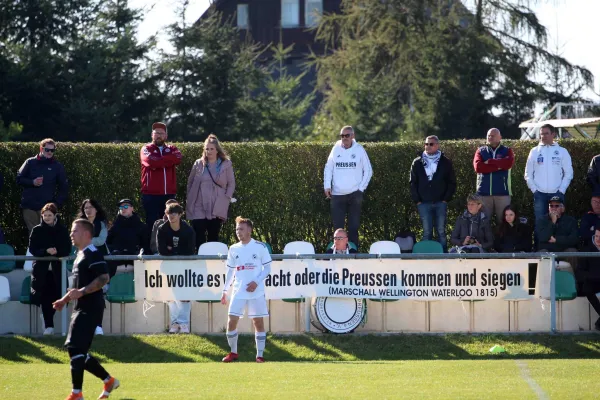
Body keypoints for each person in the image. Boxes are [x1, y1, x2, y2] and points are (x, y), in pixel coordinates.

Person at [52, 219, 120, 400]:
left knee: (74, 347)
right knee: (78, 350)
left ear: (86, 234)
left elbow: (104, 278)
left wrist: (81, 292)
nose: (71, 234)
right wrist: (64, 300)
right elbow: (77, 287)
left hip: (90, 308)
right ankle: (108, 380)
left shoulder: (93, 253)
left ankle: (77, 393)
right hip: (81, 307)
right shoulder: (80, 255)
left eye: (74, 231)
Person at [221, 216, 272, 363]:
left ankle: (260, 355)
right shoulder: (233, 248)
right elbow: (230, 271)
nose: (238, 232)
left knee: (258, 322)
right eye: (237, 229)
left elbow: (267, 268)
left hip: (256, 292)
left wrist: (256, 282)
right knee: (231, 321)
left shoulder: (260, 247)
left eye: (241, 229)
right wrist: (225, 290)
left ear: (249, 230)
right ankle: (233, 352)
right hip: (238, 291)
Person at [323, 126, 373, 248]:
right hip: (337, 195)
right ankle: (338, 255)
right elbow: (328, 168)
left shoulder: (359, 150)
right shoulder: (335, 149)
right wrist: (327, 186)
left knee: (353, 227)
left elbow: (368, 170)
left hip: (354, 194)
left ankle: (353, 254)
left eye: (347, 135)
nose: (344, 138)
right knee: (338, 229)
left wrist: (361, 189)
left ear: (353, 136)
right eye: (342, 136)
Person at [29, 203, 72, 335]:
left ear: (55, 216)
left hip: (58, 270)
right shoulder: (36, 230)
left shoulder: (62, 230)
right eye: (45, 215)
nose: (47, 217)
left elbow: (67, 248)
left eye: (49, 215)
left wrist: (57, 252)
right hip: (42, 271)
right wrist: (45, 251)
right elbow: (33, 249)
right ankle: (49, 326)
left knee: (58, 295)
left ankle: (48, 321)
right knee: (45, 298)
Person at [186, 134, 236, 248]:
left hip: (217, 204)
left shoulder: (226, 164)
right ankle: (200, 263)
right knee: (199, 236)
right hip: (199, 204)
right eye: (207, 149)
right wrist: (190, 197)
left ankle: (213, 263)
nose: (209, 151)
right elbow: (190, 182)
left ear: (217, 150)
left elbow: (231, 183)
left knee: (213, 237)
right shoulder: (198, 163)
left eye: (212, 149)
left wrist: (226, 198)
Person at [410, 135, 456, 250]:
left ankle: (444, 258)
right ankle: (426, 258)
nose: (428, 146)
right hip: (423, 203)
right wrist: (418, 201)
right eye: (426, 144)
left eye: (431, 144)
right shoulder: (417, 162)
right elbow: (412, 182)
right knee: (426, 232)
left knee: (441, 232)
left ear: (437, 145)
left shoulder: (445, 162)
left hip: (440, 202)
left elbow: (452, 182)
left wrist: (446, 199)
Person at [157, 203, 196, 334]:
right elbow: (161, 251)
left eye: (174, 213)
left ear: (180, 214)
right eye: (169, 213)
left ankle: (184, 324)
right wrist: (177, 250)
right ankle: (174, 324)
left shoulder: (188, 230)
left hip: (185, 266)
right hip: (168, 266)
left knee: (184, 296)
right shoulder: (162, 229)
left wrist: (171, 249)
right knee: (171, 296)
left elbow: (190, 251)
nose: (171, 216)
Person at [17, 138, 69, 233]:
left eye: (52, 150)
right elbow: (19, 178)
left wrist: (56, 204)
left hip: (47, 208)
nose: (49, 152)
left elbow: (64, 187)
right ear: (41, 149)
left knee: (48, 233)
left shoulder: (57, 166)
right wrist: (32, 182)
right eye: (47, 150)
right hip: (29, 206)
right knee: (33, 234)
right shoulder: (30, 162)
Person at [524, 124, 573, 224]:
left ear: (553, 134)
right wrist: (535, 190)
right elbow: (528, 174)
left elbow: (569, 173)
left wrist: (561, 191)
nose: (543, 136)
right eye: (541, 134)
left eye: (546, 133)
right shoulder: (534, 151)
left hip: (557, 194)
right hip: (539, 195)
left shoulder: (562, 151)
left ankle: (557, 240)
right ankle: (540, 241)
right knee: (540, 224)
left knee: (558, 223)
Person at [77, 199, 111, 336]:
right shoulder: (79, 224)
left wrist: (85, 241)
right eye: (86, 208)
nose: (88, 210)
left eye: (91, 207)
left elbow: (101, 240)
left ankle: (98, 326)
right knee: (83, 295)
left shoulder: (101, 224)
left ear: (96, 209)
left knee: (98, 295)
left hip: (99, 262)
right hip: (83, 262)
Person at [140, 122, 182, 231]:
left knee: (170, 223)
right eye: (156, 133)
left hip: (169, 194)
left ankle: (168, 247)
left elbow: (178, 158)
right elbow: (150, 162)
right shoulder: (146, 149)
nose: (159, 135)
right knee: (152, 224)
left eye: (161, 133)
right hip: (150, 194)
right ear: (152, 135)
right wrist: (168, 160)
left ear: (166, 136)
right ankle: (151, 248)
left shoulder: (172, 148)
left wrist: (159, 160)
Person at [473, 128, 515, 224]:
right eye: (489, 136)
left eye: (493, 135)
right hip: (483, 193)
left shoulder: (507, 150)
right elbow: (478, 168)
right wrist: (499, 166)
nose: (490, 137)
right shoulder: (480, 151)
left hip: (503, 193)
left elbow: (508, 164)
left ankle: (503, 240)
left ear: (500, 137)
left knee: (504, 222)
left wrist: (490, 162)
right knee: (483, 223)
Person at [106, 199, 150, 273]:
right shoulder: (114, 226)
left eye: (126, 206)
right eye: (121, 207)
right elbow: (108, 242)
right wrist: (114, 250)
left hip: (136, 260)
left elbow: (146, 245)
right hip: (117, 260)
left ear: (132, 208)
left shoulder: (141, 226)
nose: (123, 209)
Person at [575, 228, 600, 331]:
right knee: (587, 288)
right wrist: (592, 276)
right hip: (592, 280)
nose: (598, 239)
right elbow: (580, 271)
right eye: (597, 236)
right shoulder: (587, 249)